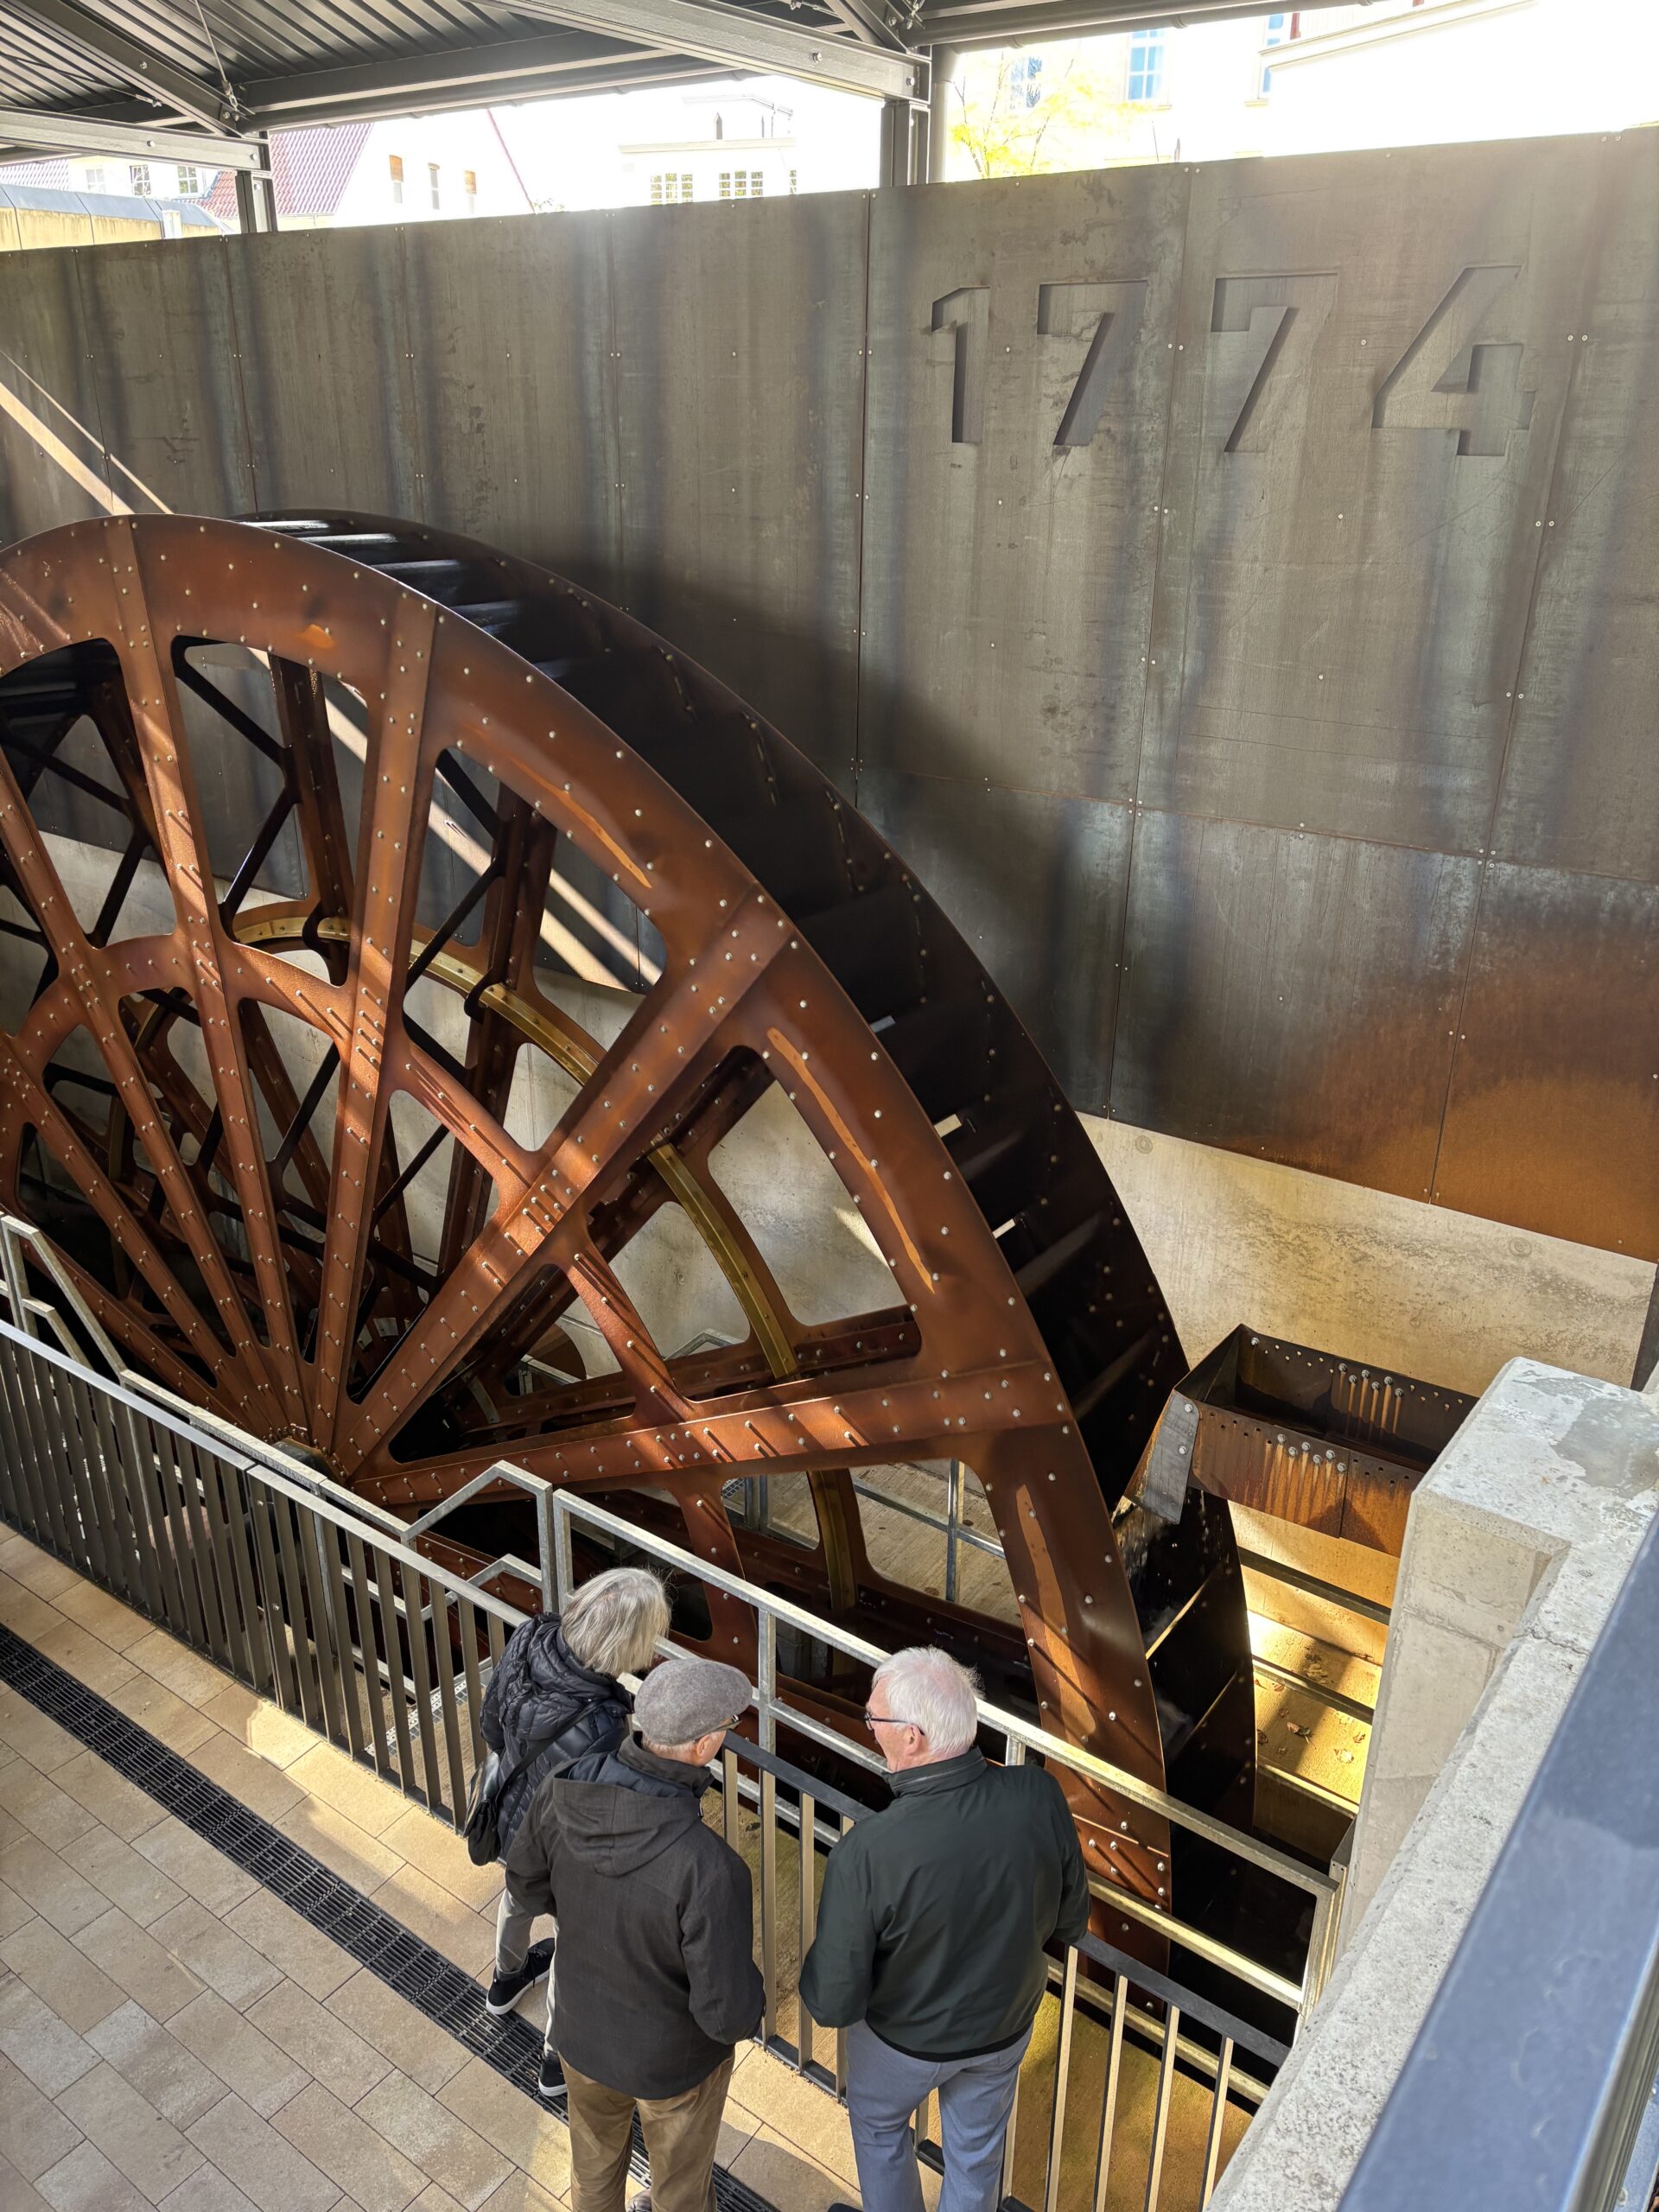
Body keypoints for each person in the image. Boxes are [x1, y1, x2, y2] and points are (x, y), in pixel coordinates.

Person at [798, 1645, 1089, 2212]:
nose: (869, 1728)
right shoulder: (1039, 1794)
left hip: (903, 2040)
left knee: (881, 2132)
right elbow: (1071, 1920)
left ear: (912, 1737)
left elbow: (832, 2001)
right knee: (976, 2154)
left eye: (873, 1718)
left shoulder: (868, 1851)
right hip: (1006, 2026)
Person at [501, 1651, 764, 2210]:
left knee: (593, 2173)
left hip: (579, 2034)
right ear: (703, 1746)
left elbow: (525, 1884)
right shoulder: (710, 1869)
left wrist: (584, 1914)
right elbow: (726, 2015)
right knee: (680, 2193)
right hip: (672, 2066)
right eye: (727, 1726)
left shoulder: (564, 1789)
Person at [482, 1565, 670, 2031]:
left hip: (512, 1813)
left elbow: (491, 1725)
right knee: (570, 1936)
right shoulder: (604, 1724)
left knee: (515, 1897)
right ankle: (555, 2051)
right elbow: (595, 1819)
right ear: (626, 1643)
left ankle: (505, 1979)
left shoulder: (529, 1636)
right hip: (559, 1852)